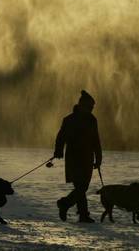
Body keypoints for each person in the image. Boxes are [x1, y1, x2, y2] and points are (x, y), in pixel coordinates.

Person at [54, 90, 102, 223]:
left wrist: (98, 158)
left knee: (81, 188)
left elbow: (95, 140)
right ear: (81, 105)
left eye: (92, 107)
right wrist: (58, 151)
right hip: (74, 158)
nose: (91, 109)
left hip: (87, 158)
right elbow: (61, 137)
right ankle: (72, 208)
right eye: (89, 107)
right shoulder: (69, 120)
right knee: (81, 187)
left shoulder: (92, 120)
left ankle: (80, 213)